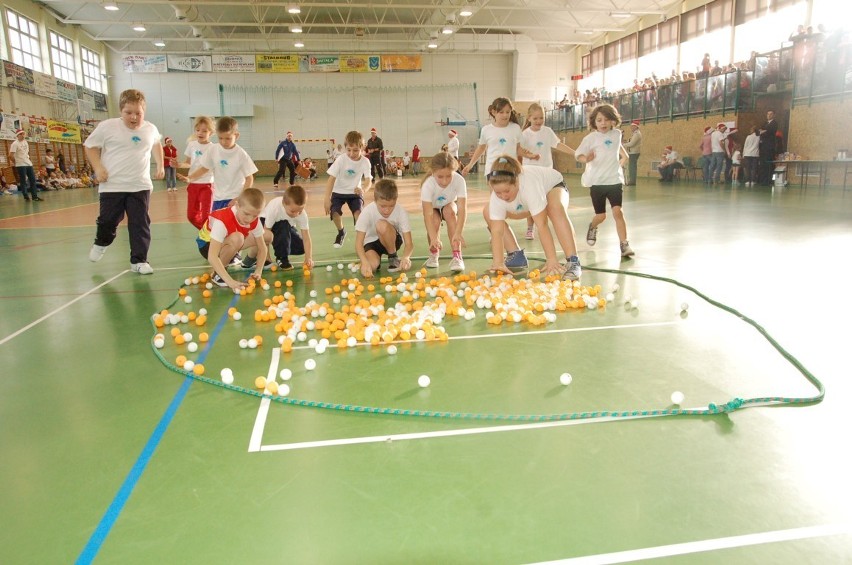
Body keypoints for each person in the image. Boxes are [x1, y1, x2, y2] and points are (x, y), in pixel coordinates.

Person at [86, 88, 165, 274]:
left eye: (138, 113)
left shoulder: (150, 128)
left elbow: (156, 143)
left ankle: (139, 261)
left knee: (140, 222)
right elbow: (90, 146)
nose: (134, 117)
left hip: (140, 185)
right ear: (121, 111)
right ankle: (102, 242)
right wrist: (98, 168)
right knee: (108, 221)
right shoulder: (107, 127)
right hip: (112, 185)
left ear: (143, 111)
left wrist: (160, 165)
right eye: (128, 113)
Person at [483, 155, 582, 280]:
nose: (503, 196)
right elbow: (497, 231)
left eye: (506, 191)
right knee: (488, 211)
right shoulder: (498, 196)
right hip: (527, 203)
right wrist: (498, 262)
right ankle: (516, 255)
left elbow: (542, 225)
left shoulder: (529, 186)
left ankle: (573, 261)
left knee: (554, 207)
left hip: (552, 187)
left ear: (517, 182)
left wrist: (551, 259)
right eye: (498, 192)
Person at [574, 103, 634, 258]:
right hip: (597, 183)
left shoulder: (617, 134)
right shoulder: (590, 138)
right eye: (599, 120)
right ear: (594, 122)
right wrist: (586, 158)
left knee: (618, 212)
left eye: (607, 120)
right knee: (601, 216)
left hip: (614, 181)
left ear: (613, 121)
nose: (603, 123)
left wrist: (620, 164)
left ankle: (624, 244)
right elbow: (578, 155)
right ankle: (593, 226)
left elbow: (620, 151)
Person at [520, 102, 576, 240]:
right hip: (531, 173)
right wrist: (530, 155)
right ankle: (530, 227)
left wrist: (575, 153)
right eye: (535, 118)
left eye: (541, 118)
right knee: (532, 201)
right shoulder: (525, 134)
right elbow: (519, 151)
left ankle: (545, 226)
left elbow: (558, 144)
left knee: (548, 202)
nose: (539, 121)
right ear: (529, 118)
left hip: (547, 174)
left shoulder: (547, 132)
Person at [180, 116, 257, 214]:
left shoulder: (241, 154)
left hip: (234, 198)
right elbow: (204, 168)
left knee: (234, 228)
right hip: (218, 198)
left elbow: (249, 178)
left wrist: (240, 198)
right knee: (216, 226)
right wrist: (190, 178)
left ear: (236, 136)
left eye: (228, 138)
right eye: (220, 138)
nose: (223, 142)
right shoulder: (213, 150)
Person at [196, 187, 269, 290]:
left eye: (255, 215)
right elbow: (212, 256)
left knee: (267, 236)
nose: (249, 219)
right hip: (207, 245)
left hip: (226, 240)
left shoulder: (253, 219)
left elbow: (262, 248)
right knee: (238, 238)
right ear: (237, 205)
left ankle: (237, 256)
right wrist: (230, 282)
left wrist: (258, 270)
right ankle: (218, 275)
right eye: (246, 214)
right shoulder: (222, 220)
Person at [461, 97, 540, 178]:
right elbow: (481, 148)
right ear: (494, 112)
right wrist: (470, 165)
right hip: (492, 170)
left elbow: (518, 149)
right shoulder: (486, 130)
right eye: (501, 112)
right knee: (495, 191)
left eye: (508, 112)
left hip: (510, 170)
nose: (505, 115)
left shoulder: (515, 128)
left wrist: (529, 156)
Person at [355, 178, 413, 278]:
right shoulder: (367, 212)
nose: (387, 210)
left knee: (382, 225)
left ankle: (393, 257)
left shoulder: (401, 212)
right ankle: (372, 260)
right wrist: (364, 262)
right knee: (371, 266)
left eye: (391, 206)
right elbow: (358, 243)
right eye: (383, 206)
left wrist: (406, 257)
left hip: (392, 239)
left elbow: (409, 243)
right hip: (372, 243)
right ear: (375, 200)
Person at [324, 130, 373, 248]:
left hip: (354, 192)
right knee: (335, 212)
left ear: (362, 148)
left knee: (358, 213)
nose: (351, 153)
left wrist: (363, 189)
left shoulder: (365, 162)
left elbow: (368, 180)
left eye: (355, 150)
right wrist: (327, 198)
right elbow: (331, 179)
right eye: (349, 150)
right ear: (345, 148)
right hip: (338, 191)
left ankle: (361, 240)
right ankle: (341, 232)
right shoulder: (341, 159)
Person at [420, 151, 468, 272]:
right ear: (433, 172)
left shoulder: (459, 180)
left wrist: (458, 232)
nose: (445, 181)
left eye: (449, 176)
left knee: (450, 212)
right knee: (434, 220)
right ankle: (434, 253)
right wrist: (433, 238)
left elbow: (462, 209)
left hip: (449, 204)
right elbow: (427, 215)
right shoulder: (428, 185)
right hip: (433, 208)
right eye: (440, 177)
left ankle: (457, 255)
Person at [250, 184, 314, 271]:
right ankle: (281, 257)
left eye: (300, 210)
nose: (296, 214)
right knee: (283, 224)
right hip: (264, 223)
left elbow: (306, 237)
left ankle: (279, 244)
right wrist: (266, 257)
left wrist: (308, 257)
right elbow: (265, 233)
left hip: (285, 228)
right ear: (284, 204)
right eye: (293, 211)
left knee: (301, 247)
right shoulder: (275, 209)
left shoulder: (301, 214)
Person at [178, 115, 215, 229]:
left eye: (204, 131)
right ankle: (206, 233)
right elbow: (188, 163)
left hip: (207, 185)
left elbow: (206, 168)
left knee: (206, 216)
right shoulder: (192, 145)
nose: (200, 133)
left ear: (211, 133)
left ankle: (210, 237)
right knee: (191, 216)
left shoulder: (212, 148)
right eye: (198, 130)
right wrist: (178, 164)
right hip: (193, 185)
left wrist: (190, 177)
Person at [9, 129, 40, 201]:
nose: (23, 136)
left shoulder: (26, 142)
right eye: (21, 134)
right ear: (18, 135)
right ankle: (26, 196)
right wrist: (16, 162)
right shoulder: (15, 144)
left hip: (28, 163)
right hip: (20, 164)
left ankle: (34, 196)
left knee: (33, 180)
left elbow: (26, 153)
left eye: (23, 134)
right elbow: (10, 155)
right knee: (23, 181)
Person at [758, 110, 778, 186]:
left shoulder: (774, 123)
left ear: (774, 115)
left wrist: (764, 131)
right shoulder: (765, 123)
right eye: (768, 114)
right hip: (763, 147)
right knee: (763, 164)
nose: (769, 115)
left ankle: (771, 181)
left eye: (771, 114)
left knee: (770, 165)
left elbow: (770, 131)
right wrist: (763, 131)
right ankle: (763, 181)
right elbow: (760, 131)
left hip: (770, 147)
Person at [623, 120, 642, 186]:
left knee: (632, 167)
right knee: (632, 167)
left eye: (633, 126)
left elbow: (631, 144)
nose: (631, 127)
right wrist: (626, 142)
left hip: (634, 153)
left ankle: (632, 181)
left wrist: (623, 145)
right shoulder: (635, 133)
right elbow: (630, 142)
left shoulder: (637, 134)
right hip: (632, 152)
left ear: (636, 127)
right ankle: (632, 180)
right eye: (631, 126)